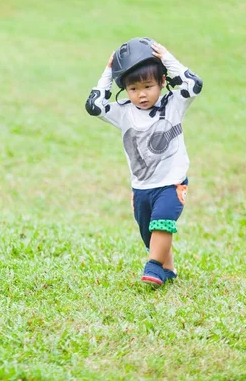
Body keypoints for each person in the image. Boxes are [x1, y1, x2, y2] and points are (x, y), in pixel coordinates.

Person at [85, 37, 203, 287]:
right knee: (149, 233)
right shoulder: (123, 111)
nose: (141, 95)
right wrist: (109, 71)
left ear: (162, 81)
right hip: (141, 187)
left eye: (148, 86)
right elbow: (94, 105)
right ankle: (167, 268)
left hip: (171, 183)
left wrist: (167, 58)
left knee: (163, 222)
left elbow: (193, 84)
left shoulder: (173, 104)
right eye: (133, 88)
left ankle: (153, 266)